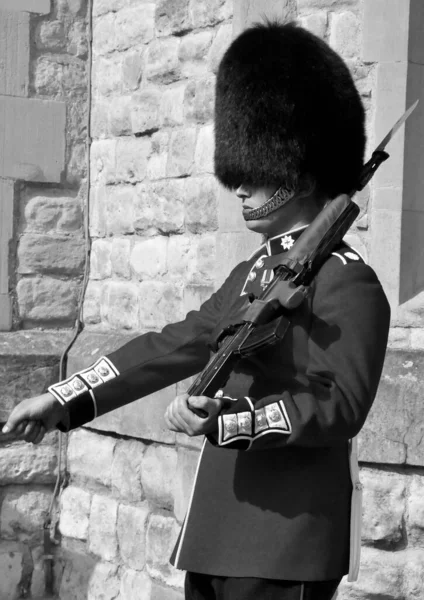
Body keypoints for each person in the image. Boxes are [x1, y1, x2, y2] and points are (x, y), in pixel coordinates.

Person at [3, 21, 390, 600]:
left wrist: (232, 421)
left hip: (287, 542)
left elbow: (338, 406)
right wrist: (63, 400)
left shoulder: (348, 281)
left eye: (255, 174)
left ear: (298, 167)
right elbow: (171, 346)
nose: (239, 189)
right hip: (216, 531)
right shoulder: (253, 273)